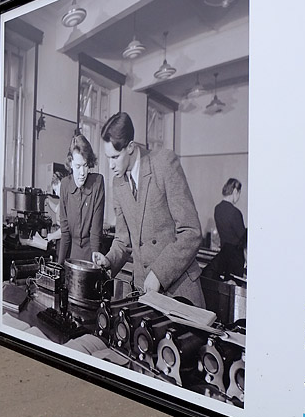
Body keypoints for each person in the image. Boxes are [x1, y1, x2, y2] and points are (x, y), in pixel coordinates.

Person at [92, 112, 205, 308]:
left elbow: (191, 232)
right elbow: (123, 240)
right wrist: (109, 261)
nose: (110, 165)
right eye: (107, 157)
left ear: (130, 147)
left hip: (179, 291)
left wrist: (159, 274)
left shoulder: (164, 164)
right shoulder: (117, 183)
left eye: (115, 157)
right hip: (145, 294)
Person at [57, 134, 105, 264]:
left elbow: (96, 231)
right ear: (70, 163)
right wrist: (60, 266)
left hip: (91, 254)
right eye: (78, 166)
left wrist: (95, 262)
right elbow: (65, 232)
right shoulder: (65, 185)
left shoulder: (97, 182)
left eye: (85, 165)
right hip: (71, 255)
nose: (82, 172)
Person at [205, 178, 247, 280]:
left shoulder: (217, 208)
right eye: (239, 194)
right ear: (235, 191)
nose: (238, 198)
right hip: (236, 258)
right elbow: (244, 240)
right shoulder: (235, 212)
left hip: (224, 255)